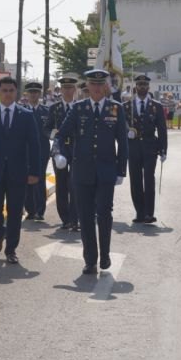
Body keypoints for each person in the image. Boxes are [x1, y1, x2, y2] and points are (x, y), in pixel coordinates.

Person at [53, 69, 128, 274]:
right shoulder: (78, 109)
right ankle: (90, 260)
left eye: (99, 84)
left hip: (106, 171)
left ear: (105, 86)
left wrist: (121, 170)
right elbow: (61, 135)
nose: (96, 88)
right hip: (82, 171)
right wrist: (59, 154)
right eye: (92, 84)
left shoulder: (116, 109)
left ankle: (104, 254)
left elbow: (122, 141)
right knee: (85, 217)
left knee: (104, 214)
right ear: (87, 86)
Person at [0, 76, 41, 264]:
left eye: (11, 91)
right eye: (4, 91)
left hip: (18, 173)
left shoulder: (26, 116)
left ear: (16, 92)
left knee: (15, 211)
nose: (8, 94)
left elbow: (34, 145)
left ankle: (11, 249)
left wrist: (34, 172)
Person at [123, 74, 168, 224]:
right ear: (135, 87)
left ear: (149, 87)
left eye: (144, 85)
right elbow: (121, 126)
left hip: (150, 147)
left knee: (149, 179)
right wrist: (126, 132)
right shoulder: (127, 106)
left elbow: (162, 129)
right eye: (139, 84)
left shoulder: (157, 106)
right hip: (133, 147)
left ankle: (149, 213)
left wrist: (163, 149)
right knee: (135, 180)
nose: (142, 87)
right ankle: (139, 212)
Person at [46, 75, 79, 231]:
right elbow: (45, 128)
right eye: (65, 88)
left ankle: (74, 218)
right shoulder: (54, 108)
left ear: (74, 89)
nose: (67, 91)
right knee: (61, 185)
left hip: (76, 149)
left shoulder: (79, 107)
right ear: (61, 90)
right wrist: (51, 133)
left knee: (75, 184)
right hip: (60, 150)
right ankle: (65, 218)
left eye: (70, 87)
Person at [22, 81, 51, 221]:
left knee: (40, 180)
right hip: (25, 151)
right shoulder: (20, 111)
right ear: (26, 94)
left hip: (42, 151)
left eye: (36, 92)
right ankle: (30, 210)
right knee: (26, 180)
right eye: (31, 92)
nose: (33, 95)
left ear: (40, 94)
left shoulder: (46, 111)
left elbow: (52, 130)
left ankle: (40, 210)